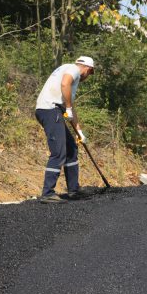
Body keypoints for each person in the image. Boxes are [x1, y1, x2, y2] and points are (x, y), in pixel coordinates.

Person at [35, 56, 95, 204]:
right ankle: (48, 193)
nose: (88, 77)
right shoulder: (74, 70)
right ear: (87, 69)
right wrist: (67, 107)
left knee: (71, 148)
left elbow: (71, 108)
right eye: (91, 73)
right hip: (50, 110)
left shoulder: (67, 70)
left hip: (53, 110)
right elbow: (64, 84)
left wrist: (79, 132)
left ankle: (74, 190)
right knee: (59, 152)